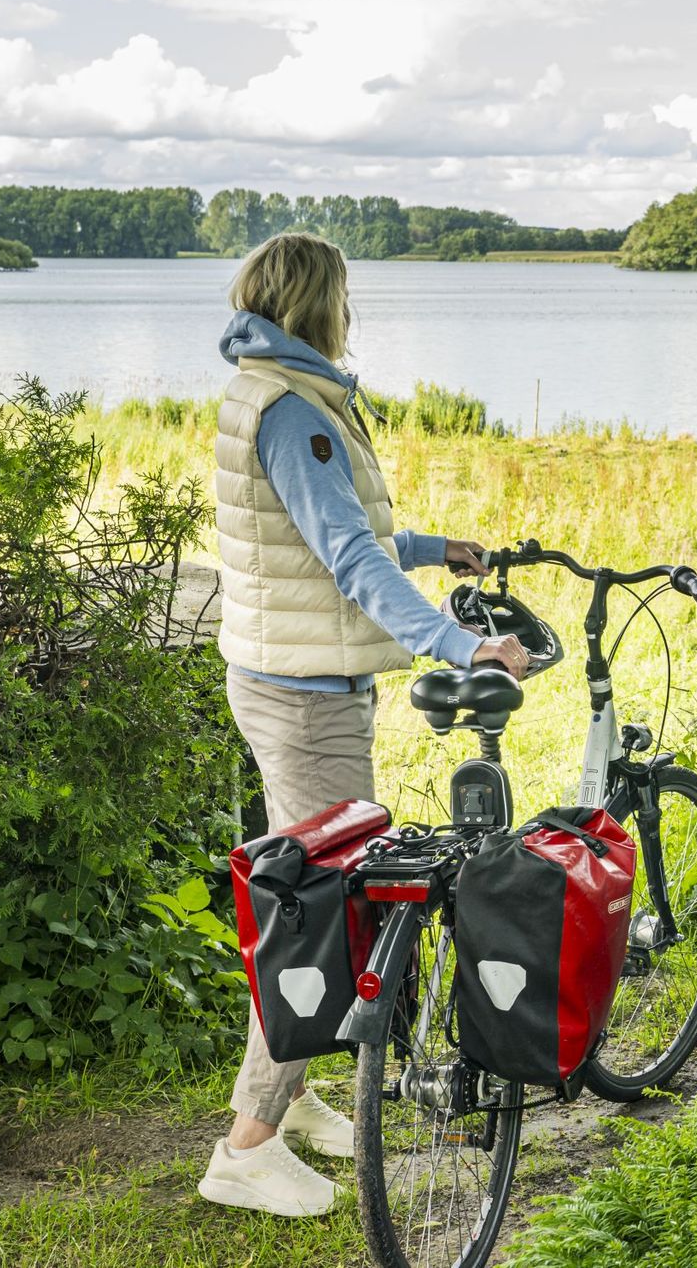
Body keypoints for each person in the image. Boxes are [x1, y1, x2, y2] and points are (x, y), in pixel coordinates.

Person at [197, 232, 531, 1219]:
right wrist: (455, 643)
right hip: (307, 696)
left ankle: (294, 1100)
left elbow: (316, 531)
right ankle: (247, 1145)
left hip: (283, 676)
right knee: (320, 920)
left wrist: (431, 547)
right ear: (319, 304)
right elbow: (345, 557)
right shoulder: (296, 411)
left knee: (315, 902)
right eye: (344, 296)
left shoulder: (267, 390)